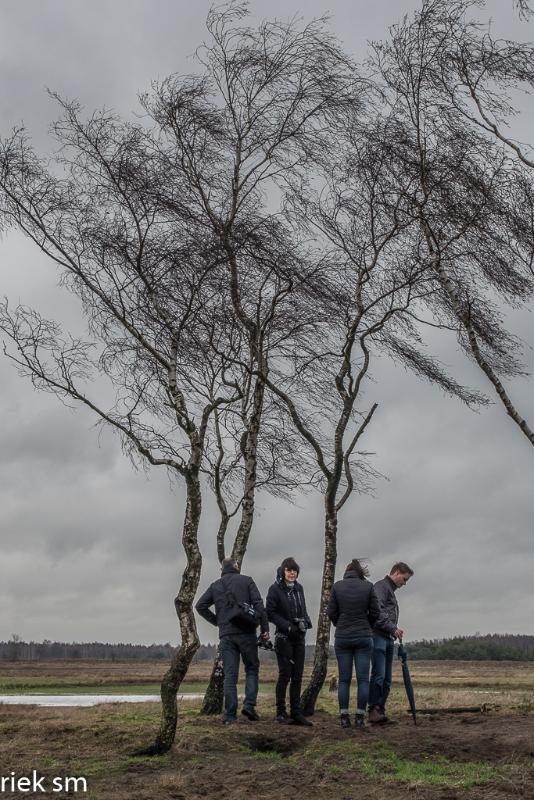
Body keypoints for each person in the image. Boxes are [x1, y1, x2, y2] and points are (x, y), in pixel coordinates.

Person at [195, 557, 270, 725]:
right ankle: (249, 705)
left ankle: (230, 716)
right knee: (252, 669)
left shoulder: (215, 585)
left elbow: (200, 606)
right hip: (247, 633)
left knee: (230, 676)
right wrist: (265, 630)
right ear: (236, 566)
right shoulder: (247, 581)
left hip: (226, 636)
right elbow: (259, 606)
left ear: (222, 568)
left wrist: (218, 621)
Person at [327, 558, 383, 729]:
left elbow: (331, 612)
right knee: (363, 679)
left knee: (344, 680)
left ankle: (344, 717)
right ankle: (359, 716)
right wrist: (367, 624)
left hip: (343, 637)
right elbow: (375, 611)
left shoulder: (337, 586)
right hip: (363, 636)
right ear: (361, 572)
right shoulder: (368, 587)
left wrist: (340, 623)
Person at [266, 557, 313, 726]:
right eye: (289, 570)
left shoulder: (299, 589)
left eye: (294, 570)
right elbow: (270, 613)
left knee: (298, 676)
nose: (292, 573)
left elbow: (303, 608)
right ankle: (280, 712)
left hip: (299, 638)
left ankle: (296, 712)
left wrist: (306, 622)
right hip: (283, 638)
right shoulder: (275, 589)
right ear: (283, 571)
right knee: (285, 675)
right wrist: (287, 626)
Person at [368, 561, 414, 724]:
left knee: (387, 678)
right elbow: (377, 611)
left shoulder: (390, 591)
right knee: (379, 675)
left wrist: (393, 630)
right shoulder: (381, 587)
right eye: (404, 579)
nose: (404, 583)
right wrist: (392, 628)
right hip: (378, 636)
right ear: (396, 573)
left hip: (387, 637)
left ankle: (381, 710)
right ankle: (373, 710)